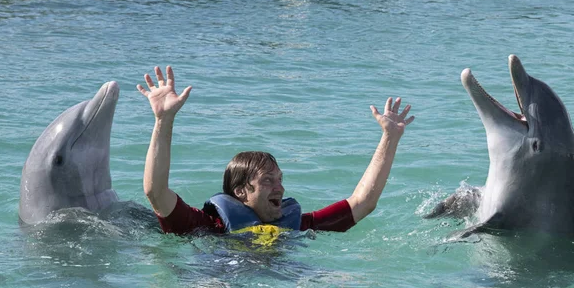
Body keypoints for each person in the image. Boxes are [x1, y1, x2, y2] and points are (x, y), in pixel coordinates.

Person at [137, 66, 414, 236]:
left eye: (280, 179)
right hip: (222, 285)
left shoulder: (297, 225)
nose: (279, 188)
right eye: (267, 181)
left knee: (341, 284)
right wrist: (164, 120)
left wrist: (389, 138)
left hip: (284, 287)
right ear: (240, 192)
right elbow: (155, 192)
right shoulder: (207, 227)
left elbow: (362, 203)